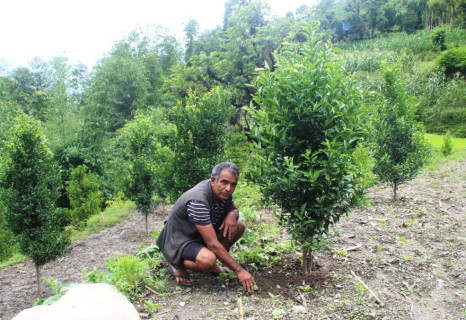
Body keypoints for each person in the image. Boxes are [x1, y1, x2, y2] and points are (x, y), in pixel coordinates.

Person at [156, 162, 256, 292]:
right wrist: (239, 270)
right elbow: (213, 243)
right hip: (180, 239)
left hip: (199, 234)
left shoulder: (223, 192)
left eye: (233, 184)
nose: (229, 188)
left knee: (239, 226)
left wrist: (232, 214)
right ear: (213, 180)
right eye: (225, 182)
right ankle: (177, 264)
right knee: (208, 260)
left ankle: (210, 263)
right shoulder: (198, 200)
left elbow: (234, 209)